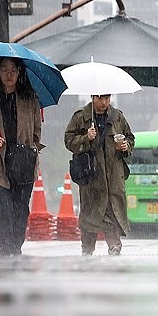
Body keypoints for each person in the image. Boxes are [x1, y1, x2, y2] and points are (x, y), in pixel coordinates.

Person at [0, 57, 44, 257]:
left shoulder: (30, 99)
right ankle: (4, 252)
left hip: (23, 163)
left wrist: (28, 150)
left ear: (20, 72)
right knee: (3, 212)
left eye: (13, 70)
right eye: (4, 70)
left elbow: (37, 133)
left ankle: (15, 249)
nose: (9, 74)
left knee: (20, 212)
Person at [64, 93, 135, 256]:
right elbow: (68, 141)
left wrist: (125, 146)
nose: (104, 102)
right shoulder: (81, 117)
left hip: (113, 176)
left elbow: (130, 138)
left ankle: (114, 246)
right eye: (100, 98)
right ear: (92, 97)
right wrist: (86, 138)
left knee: (113, 209)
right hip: (91, 175)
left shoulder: (117, 117)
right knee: (90, 213)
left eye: (107, 98)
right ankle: (87, 248)